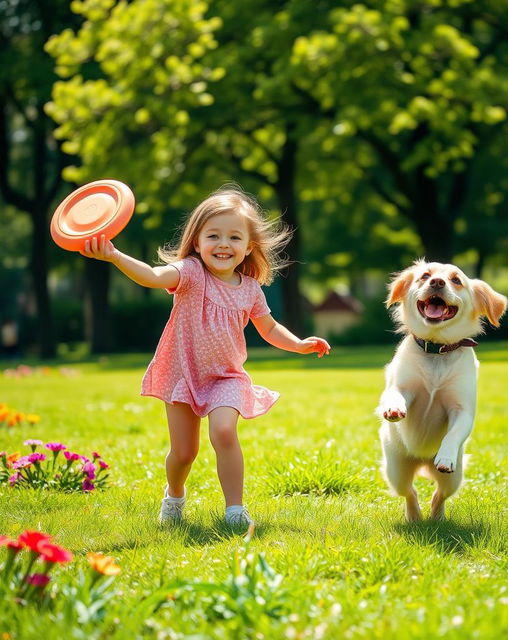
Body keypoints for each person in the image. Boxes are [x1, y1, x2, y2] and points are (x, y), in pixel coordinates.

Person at [81, 185, 331, 529]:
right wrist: (114, 256)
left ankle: (234, 510)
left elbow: (270, 328)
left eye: (234, 237)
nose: (223, 244)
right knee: (184, 453)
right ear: (197, 243)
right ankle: (174, 494)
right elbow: (153, 276)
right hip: (183, 374)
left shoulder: (250, 289)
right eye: (213, 235)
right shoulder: (190, 274)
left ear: (248, 247)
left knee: (225, 432)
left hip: (226, 378)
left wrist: (299, 343)